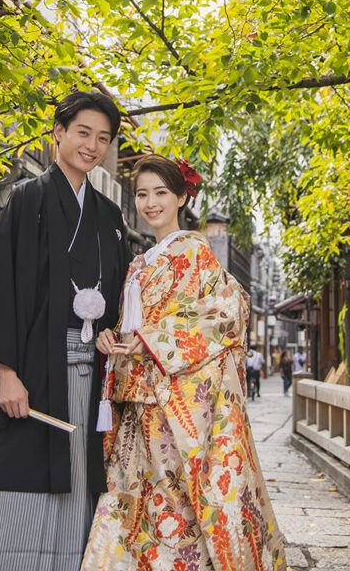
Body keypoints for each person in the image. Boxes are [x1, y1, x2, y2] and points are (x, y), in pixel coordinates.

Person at [82, 154, 287, 570]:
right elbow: (132, 326)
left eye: (161, 193)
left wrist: (152, 340)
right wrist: (112, 337)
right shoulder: (139, 263)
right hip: (134, 403)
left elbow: (229, 310)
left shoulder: (194, 252)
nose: (150, 203)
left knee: (172, 502)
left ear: (180, 197)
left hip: (172, 403)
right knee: (130, 500)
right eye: (141, 194)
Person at [0, 90, 129, 571]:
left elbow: (122, 299)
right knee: (29, 471)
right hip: (36, 369)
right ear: (58, 133)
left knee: (83, 475)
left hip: (92, 373)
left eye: (103, 138)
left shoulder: (109, 216)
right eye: (83, 133)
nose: (92, 146)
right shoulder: (27, 199)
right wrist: (5, 371)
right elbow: (1, 290)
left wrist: (112, 333)